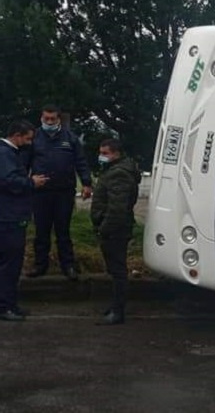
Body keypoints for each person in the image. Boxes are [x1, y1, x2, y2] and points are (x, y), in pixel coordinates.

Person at [0, 121, 49, 321]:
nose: (29, 143)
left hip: (11, 216)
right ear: (17, 135)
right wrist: (31, 182)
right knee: (8, 264)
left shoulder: (8, 153)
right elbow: (8, 182)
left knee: (13, 264)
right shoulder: (3, 154)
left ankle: (10, 304)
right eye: (28, 138)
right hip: (5, 218)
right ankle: (2, 307)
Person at [26, 105, 92, 280]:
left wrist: (86, 183)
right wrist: (24, 184)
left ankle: (68, 265)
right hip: (40, 193)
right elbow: (24, 163)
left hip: (64, 192)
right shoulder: (34, 137)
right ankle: (40, 265)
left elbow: (81, 162)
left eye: (52, 119)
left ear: (58, 119)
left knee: (63, 231)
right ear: (41, 117)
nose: (49, 121)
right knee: (41, 231)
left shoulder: (70, 138)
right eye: (46, 118)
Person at [90, 139, 140, 325]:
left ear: (116, 154)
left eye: (105, 153)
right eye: (101, 152)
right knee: (115, 269)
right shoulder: (115, 171)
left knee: (118, 271)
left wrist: (104, 229)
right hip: (115, 228)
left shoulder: (118, 174)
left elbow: (117, 208)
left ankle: (118, 312)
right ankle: (115, 307)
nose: (102, 156)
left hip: (115, 230)